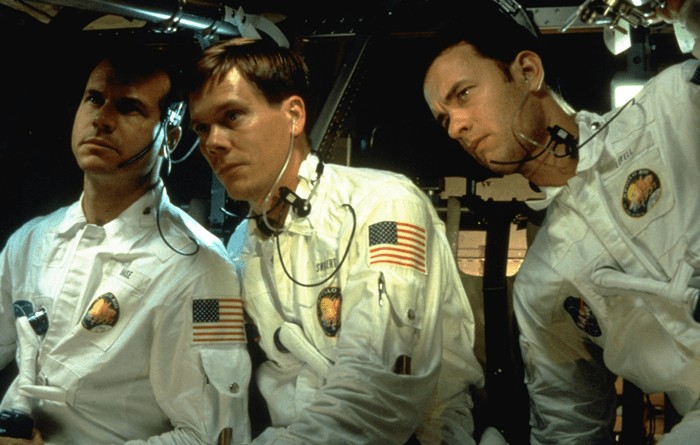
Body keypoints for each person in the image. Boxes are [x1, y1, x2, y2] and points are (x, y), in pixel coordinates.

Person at [187, 37, 495, 445]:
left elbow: (378, 395)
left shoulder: (383, 205)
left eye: (232, 116)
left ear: (294, 115)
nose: (213, 142)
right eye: (202, 128)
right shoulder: (244, 244)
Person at [422, 0, 700, 443]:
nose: (456, 126)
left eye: (464, 95)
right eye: (444, 120)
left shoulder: (672, 108)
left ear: (527, 72)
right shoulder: (541, 285)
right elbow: (570, 427)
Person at [0, 42, 251, 444]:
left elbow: (212, 437)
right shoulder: (31, 242)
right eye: (94, 99)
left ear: (170, 136)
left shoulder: (202, 270)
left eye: (129, 108)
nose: (102, 119)